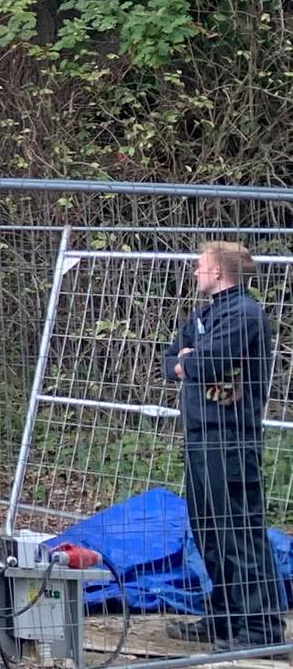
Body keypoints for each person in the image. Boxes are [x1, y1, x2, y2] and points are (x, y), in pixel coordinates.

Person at [164, 241, 280, 651]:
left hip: (230, 438)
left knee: (238, 533)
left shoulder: (244, 314)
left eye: (200, 265)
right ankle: (225, 617)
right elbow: (169, 359)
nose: (195, 271)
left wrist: (190, 361)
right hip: (200, 435)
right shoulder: (205, 314)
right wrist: (185, 361)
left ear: (218, 272)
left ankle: (260, 629)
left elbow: (207, 362)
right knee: (209, 532)